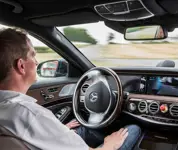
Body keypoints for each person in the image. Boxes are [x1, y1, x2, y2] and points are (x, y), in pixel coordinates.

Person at [0, 28, 141, 150]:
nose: (36, 62)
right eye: (32, 55)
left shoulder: (10, 110)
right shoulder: (31, 115)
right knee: (134, 129)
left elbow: (32, 133)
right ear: (21, 66)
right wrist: (109, 144)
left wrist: (59, 130)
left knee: (83, 128)